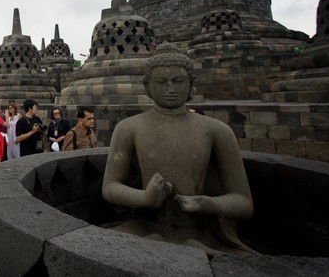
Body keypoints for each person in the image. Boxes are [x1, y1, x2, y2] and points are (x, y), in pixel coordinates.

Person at [102, 43, 254, 255]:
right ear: (147, 87)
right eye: (161, 82)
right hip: (144, 228)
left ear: (192, 84)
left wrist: (211, 204)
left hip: (201, 233)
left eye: (178, 81)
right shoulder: (128, 128)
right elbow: (110, 187)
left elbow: (244, 203)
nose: (170, 89)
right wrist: (144, 198)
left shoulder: (217, 131)